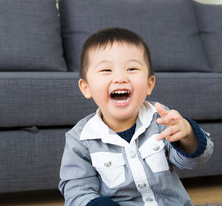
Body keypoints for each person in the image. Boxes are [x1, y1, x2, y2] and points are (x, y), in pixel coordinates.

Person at [59, 27, 213, 206]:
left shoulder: (160, 118)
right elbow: (76, 189)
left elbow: (194, 162)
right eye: (106, 70)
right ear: (86, 87)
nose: (120, 78)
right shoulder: (80, 138)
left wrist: (187, 135)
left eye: (131, 68)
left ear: (150, 84)